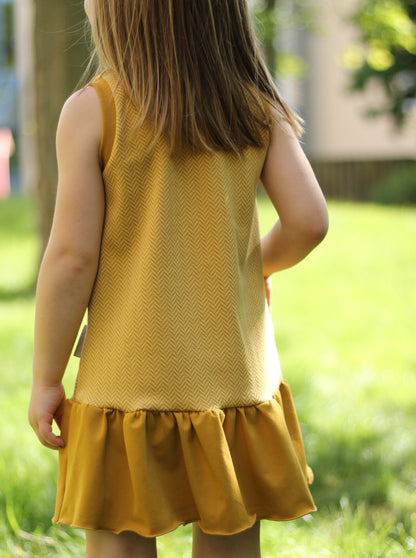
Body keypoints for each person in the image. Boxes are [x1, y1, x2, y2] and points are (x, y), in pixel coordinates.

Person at [28, 1, 329, 557]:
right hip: (233, 382)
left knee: (120, 543)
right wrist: (247, 268)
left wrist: (48, 377)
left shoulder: (93, 110)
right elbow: (310, 221)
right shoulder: (256, 107)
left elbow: (72, 259)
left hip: (125, 385)